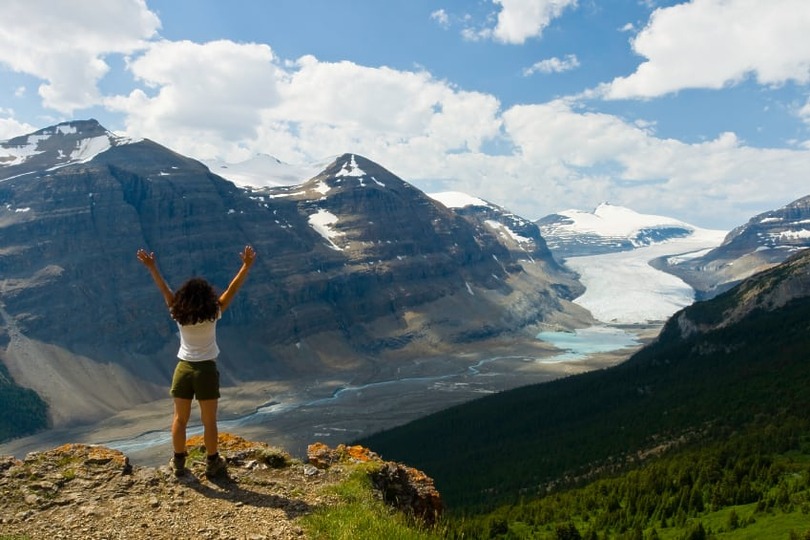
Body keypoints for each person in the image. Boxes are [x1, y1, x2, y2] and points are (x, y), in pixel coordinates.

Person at [137, 245, 256, 478]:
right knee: (209, 421)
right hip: (206, 370)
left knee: (180, 419)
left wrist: (152, 267)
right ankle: (212, 462)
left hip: (183, 368)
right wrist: (246, 266)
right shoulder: (215, 311)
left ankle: (179, 462)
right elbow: (233, 288)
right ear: (207, 296)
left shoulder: (176, 311)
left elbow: (164, 288)